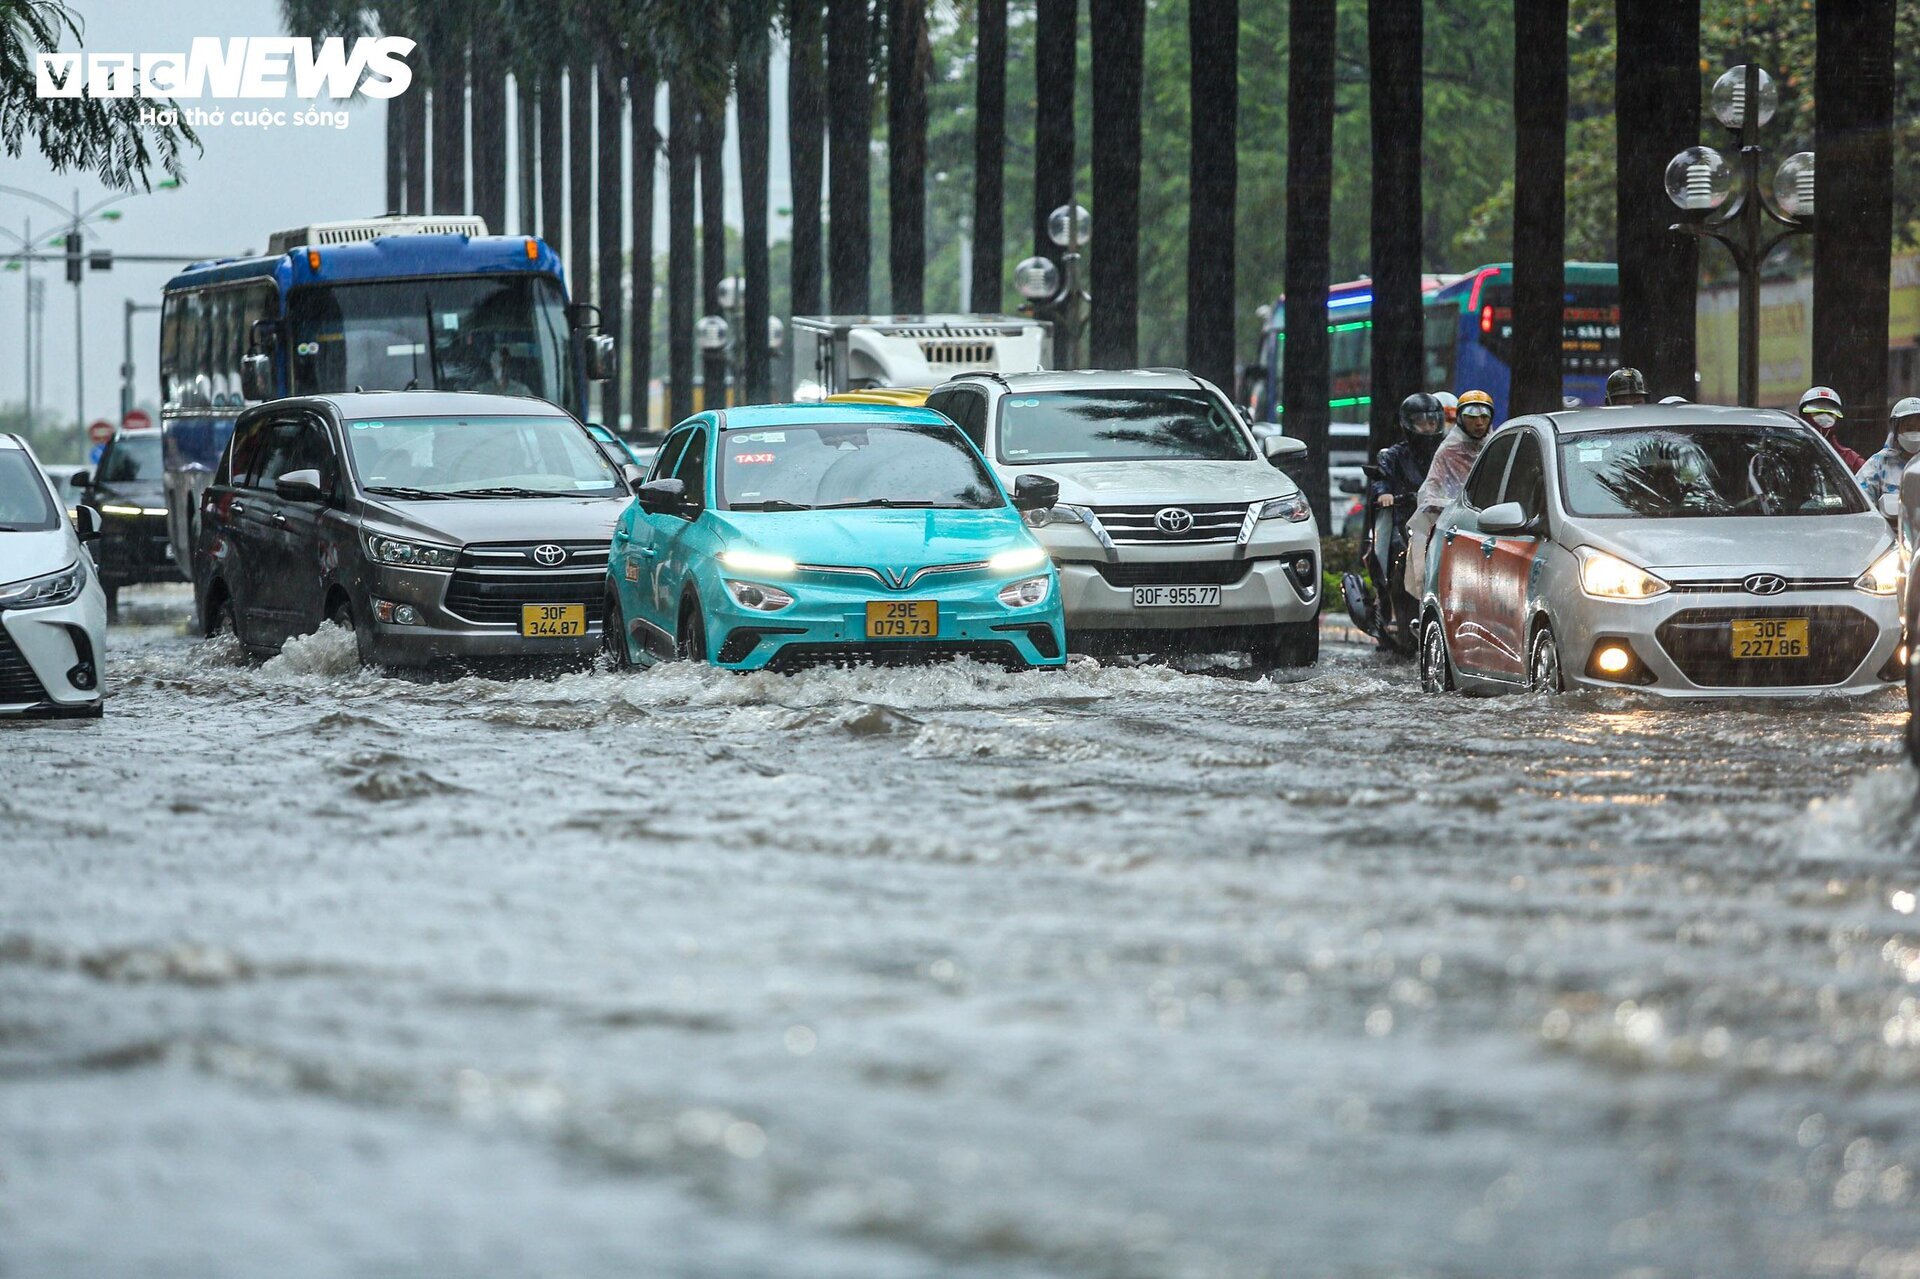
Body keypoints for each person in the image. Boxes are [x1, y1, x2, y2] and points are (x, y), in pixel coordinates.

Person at [1404, 389, 1495, 596]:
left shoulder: (1496, 448)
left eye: (1484, 417)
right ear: (1462, 420)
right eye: (1472, 417)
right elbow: (1431, 487)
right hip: (1452, 523)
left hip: (1491, 524)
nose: (1479, 423)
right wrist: (1444, 503)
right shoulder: (1447, 451)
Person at [1857, 396, 1920, 507]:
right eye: (1909, 429)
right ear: (1895, 430)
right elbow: (1860, 502)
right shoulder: (1879, 463)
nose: (1915, 434)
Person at [1799, 386, 1866, 471]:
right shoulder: (1791, 453)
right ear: (1804, 416)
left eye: (1830, 414)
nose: (1825, 417)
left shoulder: (1851, 459)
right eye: (1818, 413)